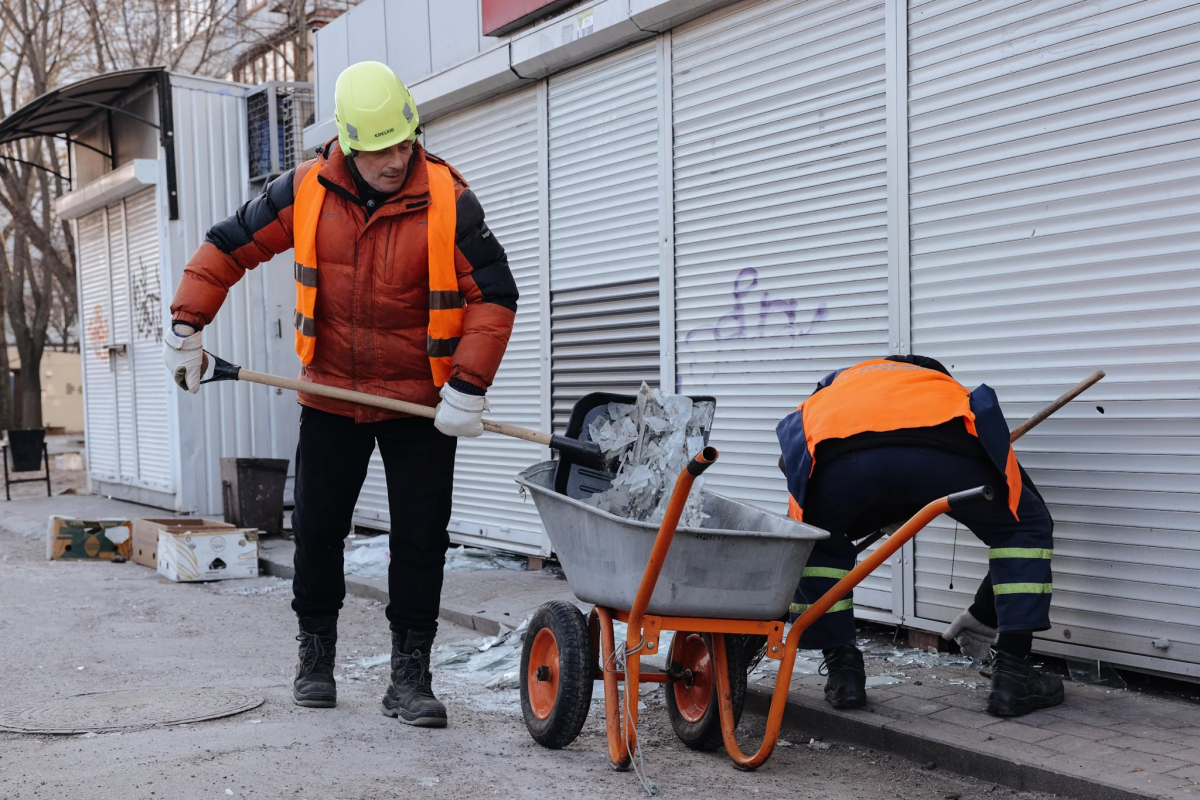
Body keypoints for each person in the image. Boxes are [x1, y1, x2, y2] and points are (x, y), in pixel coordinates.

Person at [163, 61, 518, 728]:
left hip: (420, 402)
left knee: (420, 539)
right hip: (329, 393)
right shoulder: (307, 190)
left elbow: (493, 296)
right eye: (379, 147)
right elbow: (228, 244)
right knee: (319, 531)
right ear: (348, 145)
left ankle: (410, 676)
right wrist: (187, 322)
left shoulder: (449, 200)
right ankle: (316, 657)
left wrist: (468, 385)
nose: (394, 159)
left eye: (403, 142)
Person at [776, 355, 1063, 718]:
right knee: (1024, 528)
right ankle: (1013, 675)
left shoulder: (836, 387)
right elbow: (1025, 509)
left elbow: (794, 465)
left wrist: (877, 502)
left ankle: (844, 673)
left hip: (838, 461)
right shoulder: (941, 389)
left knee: (818, 544)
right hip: (946, 448)